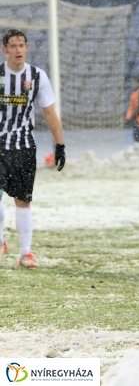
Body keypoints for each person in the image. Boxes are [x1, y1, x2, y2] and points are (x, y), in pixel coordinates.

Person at [0, 29, 65, 268]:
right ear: (4, 50)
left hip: (24, 147)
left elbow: (48, 111)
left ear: (26, 48)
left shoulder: (37, 76)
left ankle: (25, 254)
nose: (18, 50)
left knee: (23, 200)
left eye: (21, 45)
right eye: (13, 46)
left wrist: (60, 144)